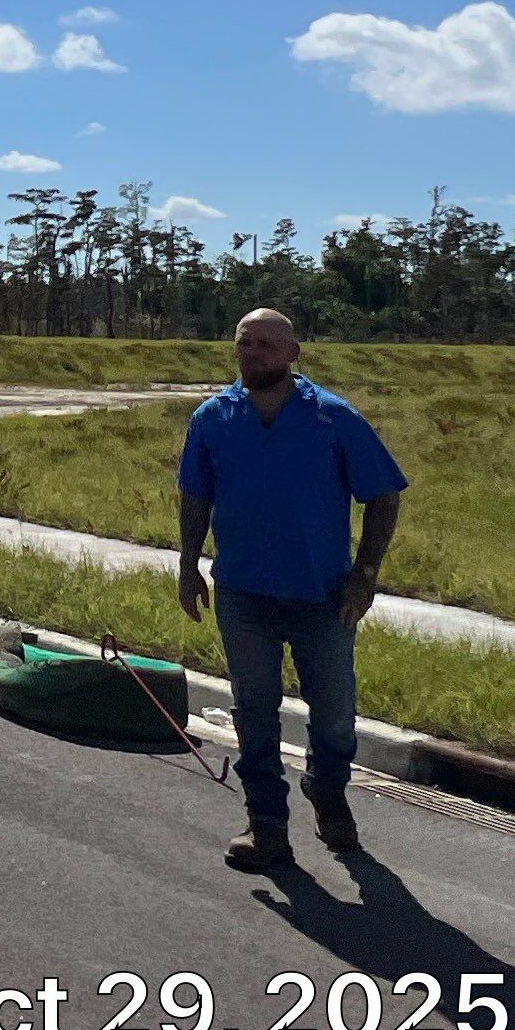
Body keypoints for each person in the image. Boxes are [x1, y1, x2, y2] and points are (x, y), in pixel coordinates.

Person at [174, 308, 406, 873]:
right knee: (254, 709)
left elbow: (383, 494)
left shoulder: (333, 419)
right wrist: (187, 564)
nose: (253, 353)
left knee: (332, 712)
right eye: (244, 343)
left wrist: (366, 572)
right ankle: (266, 824)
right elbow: (196, 496)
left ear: (293, 353)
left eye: (267, 344)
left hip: (322, 596)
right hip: (243, 593)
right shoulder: (213, 419)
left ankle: (327, 792)